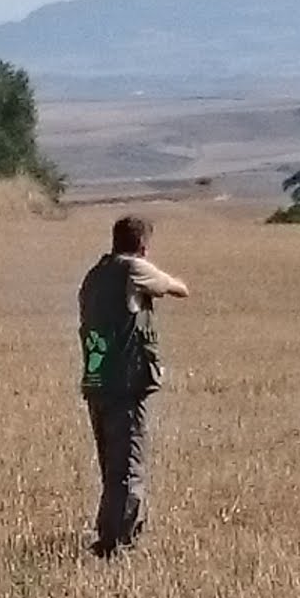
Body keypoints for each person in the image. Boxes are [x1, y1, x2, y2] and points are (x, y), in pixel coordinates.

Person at [77, 215, 190, 558]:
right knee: (128, 466)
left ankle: (109, 533)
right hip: (124, 382)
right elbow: (178, 289)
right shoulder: (133, 270)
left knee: (111, 465)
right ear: (143, 245)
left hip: (97, 379)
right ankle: (116, 543)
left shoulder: (94, 275)